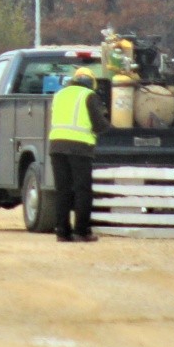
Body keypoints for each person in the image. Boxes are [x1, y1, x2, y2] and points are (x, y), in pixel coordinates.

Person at [49, 68, 110, 242]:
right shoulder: (88, 95)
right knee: (82, 190)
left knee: (62, 190)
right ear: (92, 83)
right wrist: (110, 125)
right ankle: (81, 231)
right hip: (80, 148)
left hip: (56, 146)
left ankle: (62, 231)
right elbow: (99, 125)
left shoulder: (59, 94)